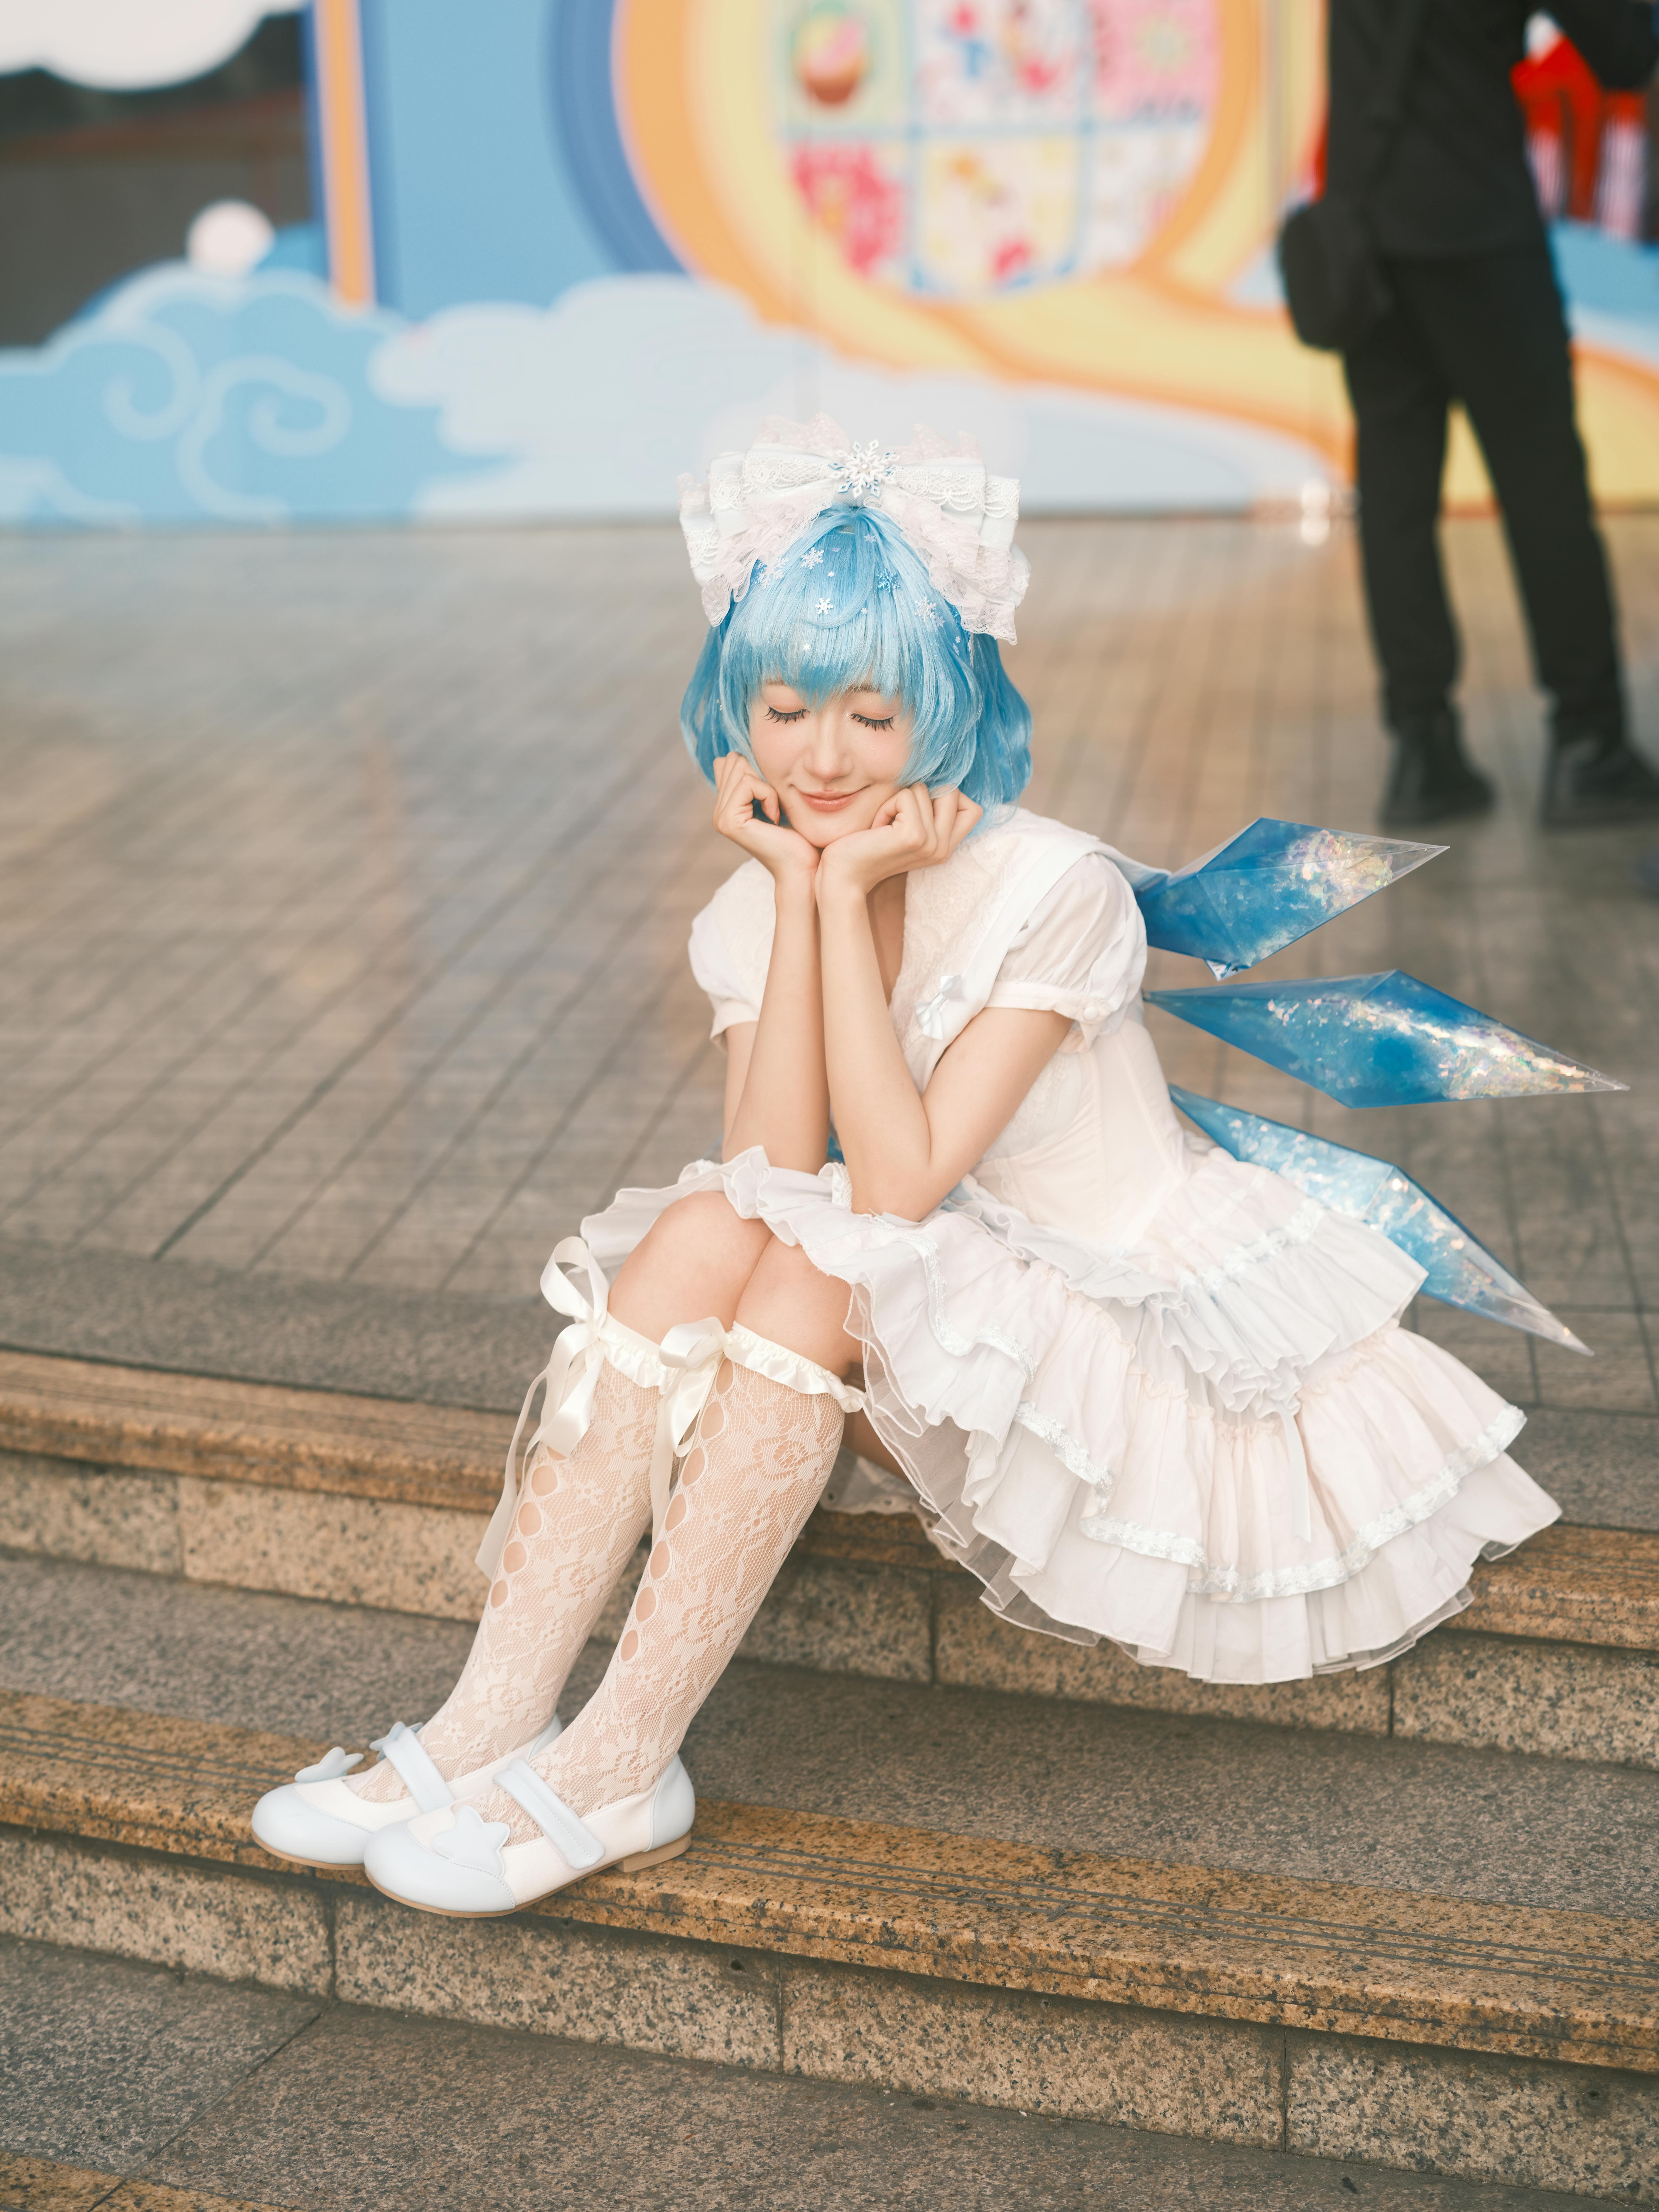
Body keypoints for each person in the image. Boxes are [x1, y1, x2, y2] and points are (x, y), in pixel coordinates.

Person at [251, 419, 1560, 1917]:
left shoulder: (1051, 890)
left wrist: (855, 888)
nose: (821, 757)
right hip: (944, 1322)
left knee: (813, 1255)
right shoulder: (764, 904)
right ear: (734, 709)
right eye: (789, 706)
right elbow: (758, 1172)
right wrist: (808, 903)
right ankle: (492, 1721)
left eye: (872, 716)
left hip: (1141, 1359)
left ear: (945, 714)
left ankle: (622, 1757)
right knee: (697, 1229)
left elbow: (894, 1185)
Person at [1328, 0, 1659, 827]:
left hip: (1367, 233)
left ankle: (1422, 745)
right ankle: (1589, 746)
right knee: (1544, 486)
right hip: (1477, 227)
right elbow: (1624, 50)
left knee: (1396, 500)